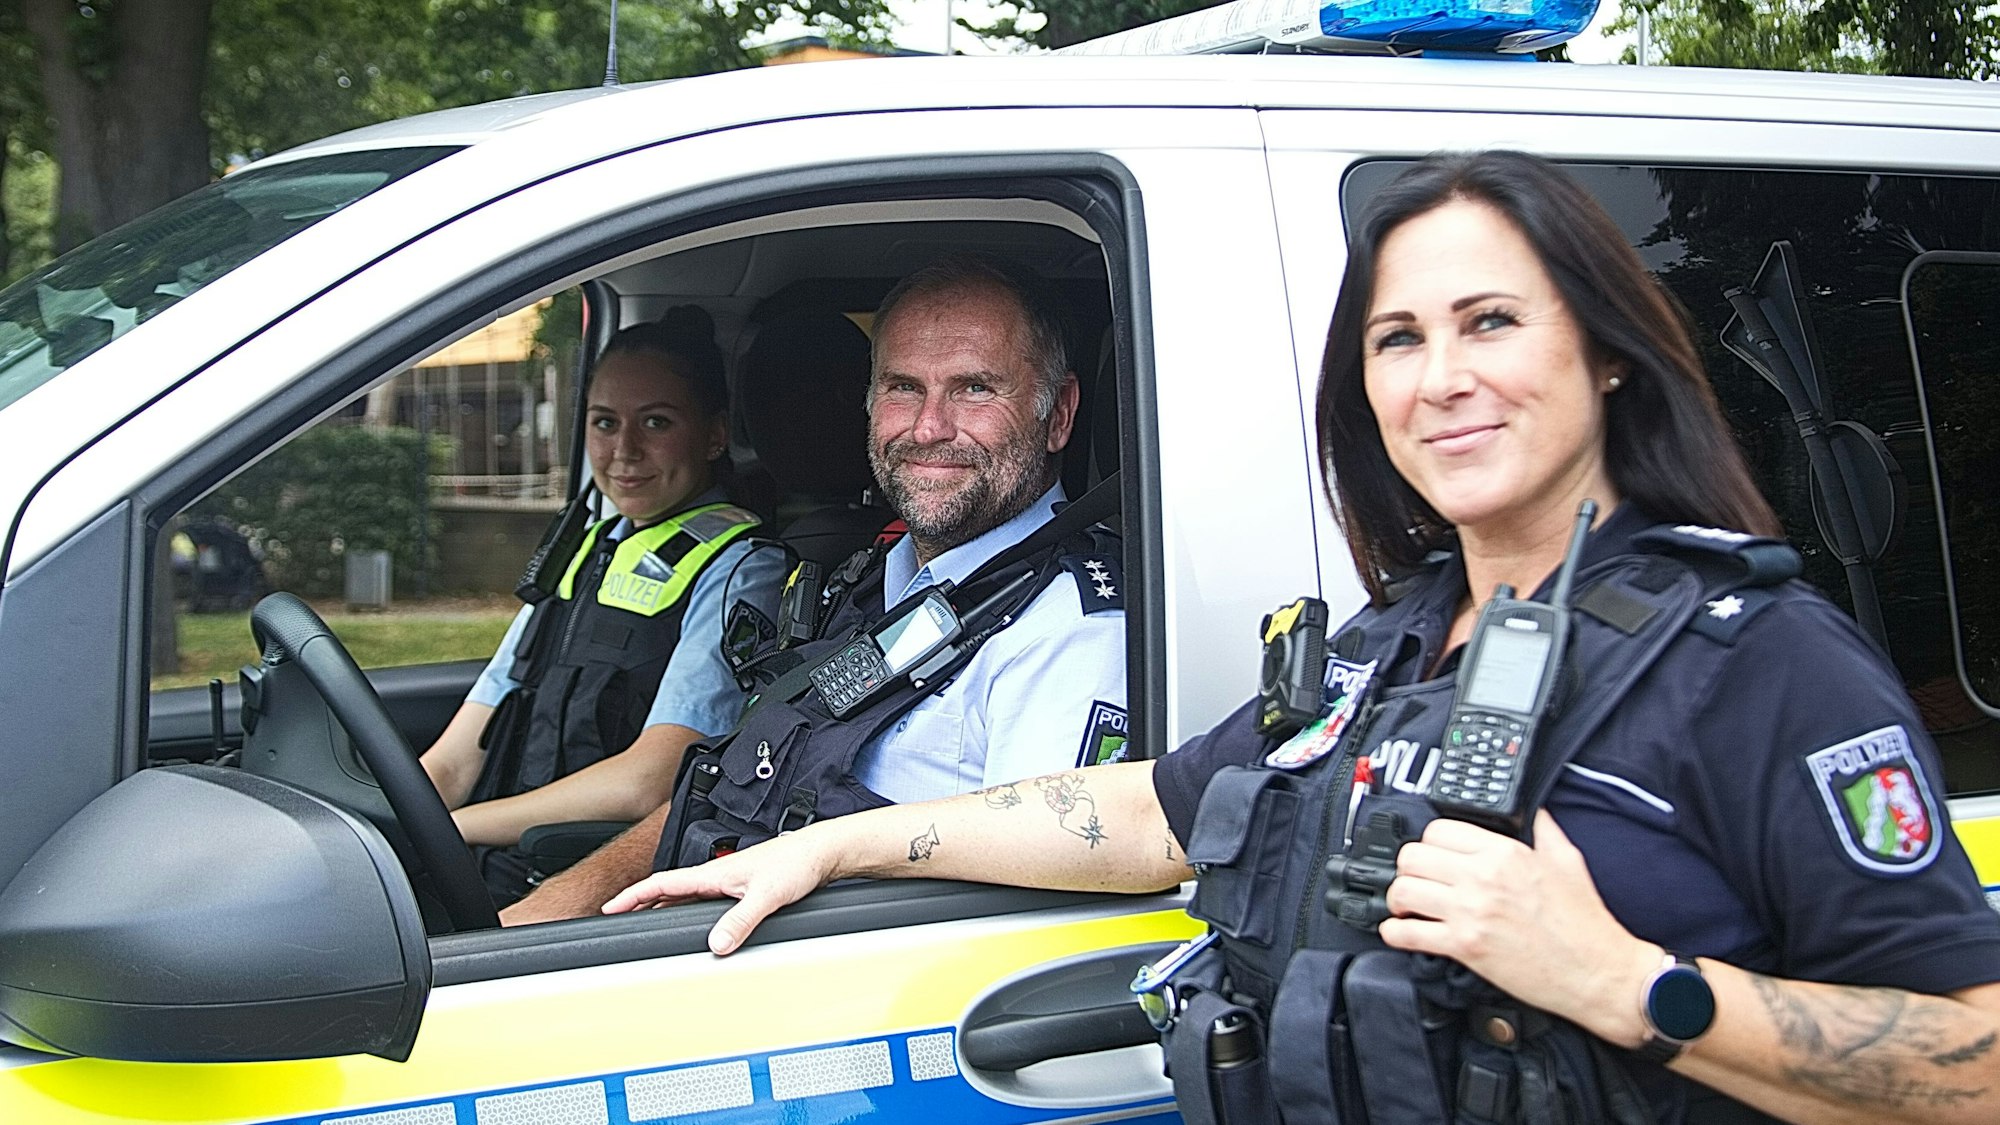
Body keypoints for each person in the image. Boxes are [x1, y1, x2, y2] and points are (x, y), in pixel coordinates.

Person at [605, 153, 2000, 1125]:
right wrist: (835, 843)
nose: (1440, 376)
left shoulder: (1757, 662)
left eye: (1492, 322)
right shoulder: (1383, 654)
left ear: (1612, 352)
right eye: (1397, 339)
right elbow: (1148, 811)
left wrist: (1634, 986)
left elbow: (1978, 1059)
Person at [501, 255, 1128, 924]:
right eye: (903, 387)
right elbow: (737, 783)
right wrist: (547, 911)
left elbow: (1042, 921)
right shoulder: (867, 587)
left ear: (1058, 414)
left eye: (974, 388)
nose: (928, 427)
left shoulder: (1071, 630)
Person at [419, 306, 786, 907]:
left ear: (715, 434)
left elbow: (648, 782)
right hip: (490, 870)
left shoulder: (743, 566)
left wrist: (454, 829)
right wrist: (385, 829)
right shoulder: (586, 549)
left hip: (591, 891)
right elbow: (456, 759)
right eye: (605, 423)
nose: (625, 451)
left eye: (657, 422)